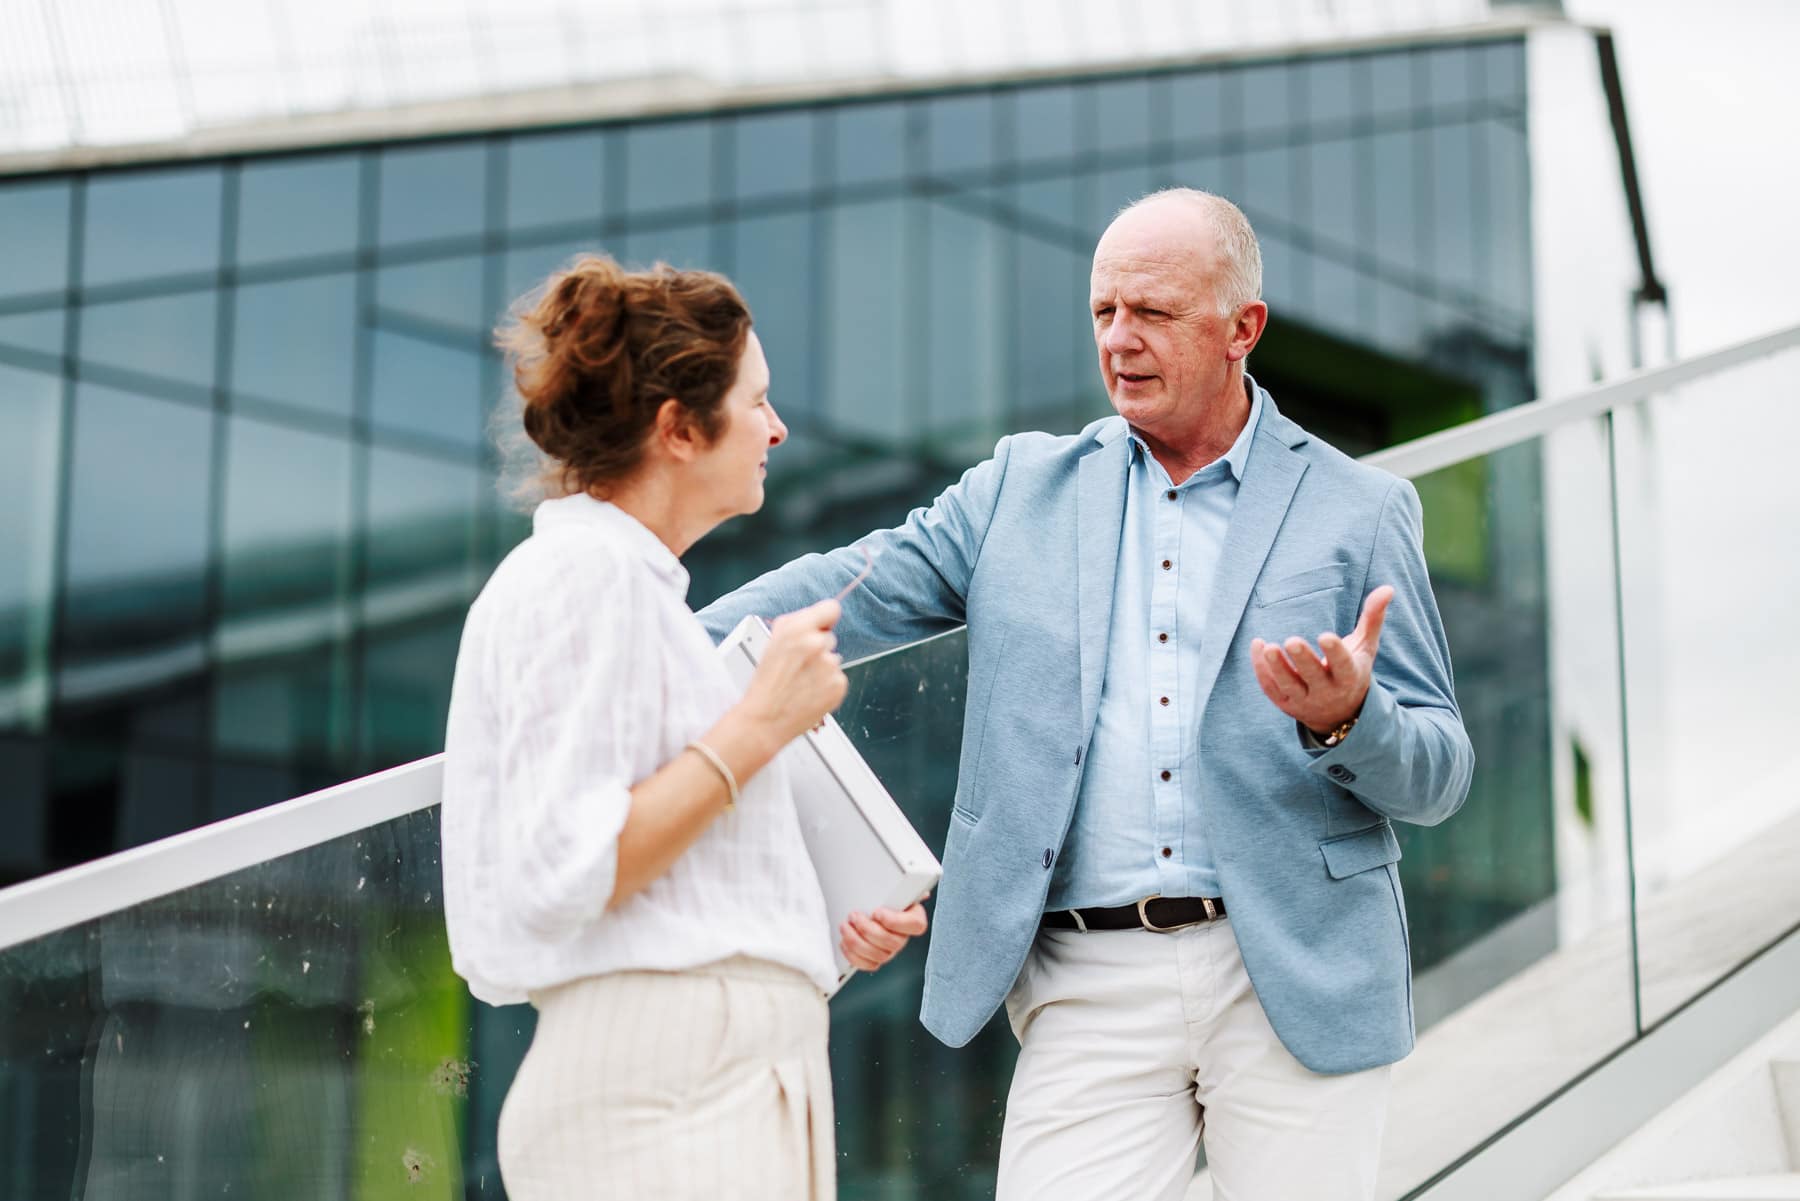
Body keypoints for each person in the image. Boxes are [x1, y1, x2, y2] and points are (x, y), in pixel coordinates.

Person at [698, 189, 1475, 1201]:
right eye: (1104, 311)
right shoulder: (1019, 488)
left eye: (1151, 312)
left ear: (1243, 328)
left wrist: (1346, 715)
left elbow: (1442, 770)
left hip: (1291, 960)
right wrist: (663, 635)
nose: (1120, 339)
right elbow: (849, 587)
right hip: (1083, 973)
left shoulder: (1359, 508)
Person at [439, 255, 927, 1201]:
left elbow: (656, 885)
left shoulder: (630, 592)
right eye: (757, 402)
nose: (778, 429)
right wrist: (761, 722)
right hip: (670, 1093)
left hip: (705, 1082)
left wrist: (828, 929)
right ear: (678, 427)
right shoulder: (588, 579)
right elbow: (570, 864)